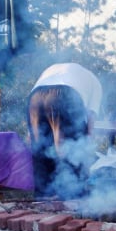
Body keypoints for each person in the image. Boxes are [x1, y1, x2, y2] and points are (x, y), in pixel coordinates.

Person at [27, 62, 102, 199]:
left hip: (35, 98)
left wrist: (31, 134)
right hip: (66, 95)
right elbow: (90, 124)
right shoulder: (95, 83)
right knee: (73, 151)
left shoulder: (53, 69)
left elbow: (31, 134)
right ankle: (73, 198)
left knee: (40, 152)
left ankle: (41, 201)